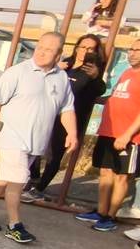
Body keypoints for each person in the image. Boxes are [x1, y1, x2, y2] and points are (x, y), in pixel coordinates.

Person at [0, 33, 76, 243]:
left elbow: (67, 108)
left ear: (59, 53)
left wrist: (72, 132)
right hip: (11, 137)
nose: (42, 52)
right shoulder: (18, 72)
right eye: (40, 47)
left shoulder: (61, 78)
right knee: (17, 181)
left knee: (4, 178)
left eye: (49, 49)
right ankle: (15, 224)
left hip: (36, 142)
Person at [22, 34, 108, 202]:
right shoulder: (64, 64)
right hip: (47, 113)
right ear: (76, 48)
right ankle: (34, 178)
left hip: (70, 118)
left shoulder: (91, 72)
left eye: (91, 49)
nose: (85, 51)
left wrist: (96, 76)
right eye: (82, 47)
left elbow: (100, 89)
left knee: (54, 154)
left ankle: (39, 188)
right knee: (35, 146)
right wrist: (55, 67)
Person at [75, 37, 140, 232]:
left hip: (129, 136)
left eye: (139, 50)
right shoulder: (127, 72)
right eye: (131, 49)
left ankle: (110, 216)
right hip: (109, 130)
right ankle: (100, 211)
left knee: (122, 176)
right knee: (106, 172)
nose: (132, 53)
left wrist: (127, 135)